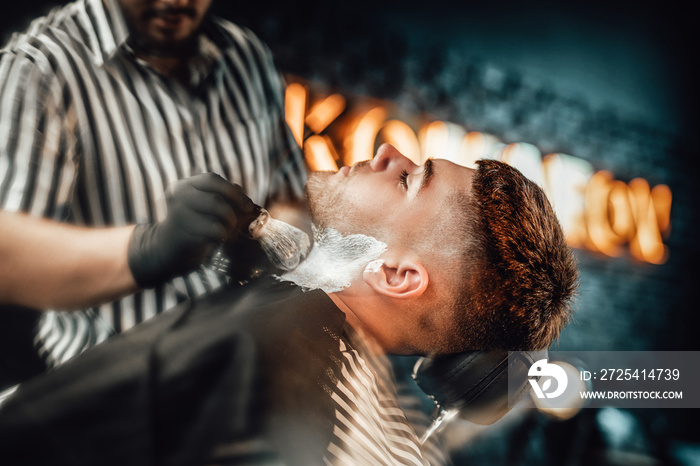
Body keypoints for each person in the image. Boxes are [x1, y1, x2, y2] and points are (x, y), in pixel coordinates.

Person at [0, 144, 579, 465]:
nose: (387, 152)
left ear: (398, 275)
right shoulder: (344, 381)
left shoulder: (255, 358)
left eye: (410, 181)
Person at [0, 0, 307, 391]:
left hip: (242, 380)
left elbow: (292, 195)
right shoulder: (41, 68)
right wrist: (147, 249)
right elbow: (7, 257)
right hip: (111, 391)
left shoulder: (246, 55)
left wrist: (265, 241)